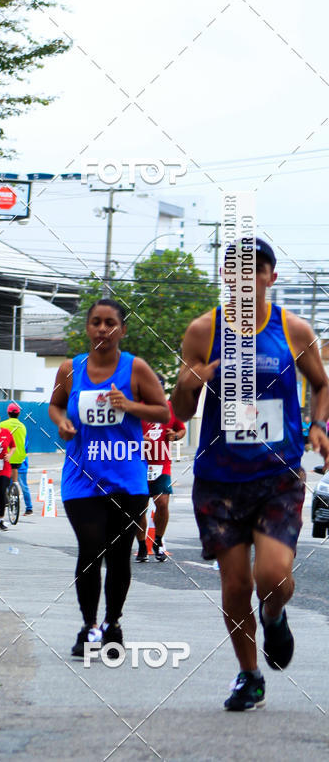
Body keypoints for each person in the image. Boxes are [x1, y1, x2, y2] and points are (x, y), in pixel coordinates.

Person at [172, 238, 329, 711]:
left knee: (274, 578)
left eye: (254, 271)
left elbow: (322, 384)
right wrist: (194, 379)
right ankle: (249, 674)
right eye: (234, 270)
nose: (244, 279)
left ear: (269, 277)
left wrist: (319, 425)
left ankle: (276, 616)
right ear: (225, 276)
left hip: (277, 474)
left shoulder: (292, 329)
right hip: (219, 479)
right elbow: (178, 408)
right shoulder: (203, 332)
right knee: (236, 585)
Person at [48, 297, 169, 657]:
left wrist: (129, 406)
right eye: (96, 322)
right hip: (81, 477)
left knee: (118, 555)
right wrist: (62, 423)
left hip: (126, 479)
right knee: (90, 548)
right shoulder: (70, 369)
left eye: (110, 323)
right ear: (87, 328)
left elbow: (163, 411)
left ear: (122, 329)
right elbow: (55, 404)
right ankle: (88, 627)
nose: (103, 329)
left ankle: (112, 623)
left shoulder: (136, 369)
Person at [136, 376, 186, 563]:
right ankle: (142, 545)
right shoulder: (137, 407)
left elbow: (181, 429)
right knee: (139, 508)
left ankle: (158, 542)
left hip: (161, 463)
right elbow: (124, 432)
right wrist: (140, 438)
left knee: (162, 503)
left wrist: (175, 435)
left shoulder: (171, 408)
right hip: (138, 464)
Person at [1, 402, 33, 515]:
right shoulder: (23, 427)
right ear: (19, 414)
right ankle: (29, 508)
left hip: (6, 458)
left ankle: (5, 501)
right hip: (21, 460)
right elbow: (26, 445)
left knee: (1, 481)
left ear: (8, 413)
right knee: (23, 484)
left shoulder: (2, 425)